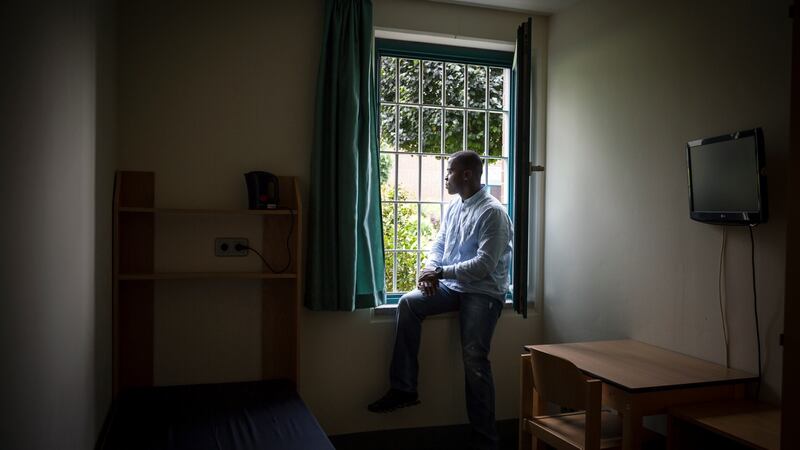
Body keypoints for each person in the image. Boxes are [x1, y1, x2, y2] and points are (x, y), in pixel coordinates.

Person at [368, 150, 513, 450]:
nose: (444, 177)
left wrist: (442, 272)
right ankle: (405, 389)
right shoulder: (455, 207)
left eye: (448, 171)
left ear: (466, 175)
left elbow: (484, 265)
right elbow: (440, 242)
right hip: (455, 285)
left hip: (484, 292)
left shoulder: (492, 212)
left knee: (475, 360)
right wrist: (431, 269)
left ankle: (487, 440)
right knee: (408, 303)